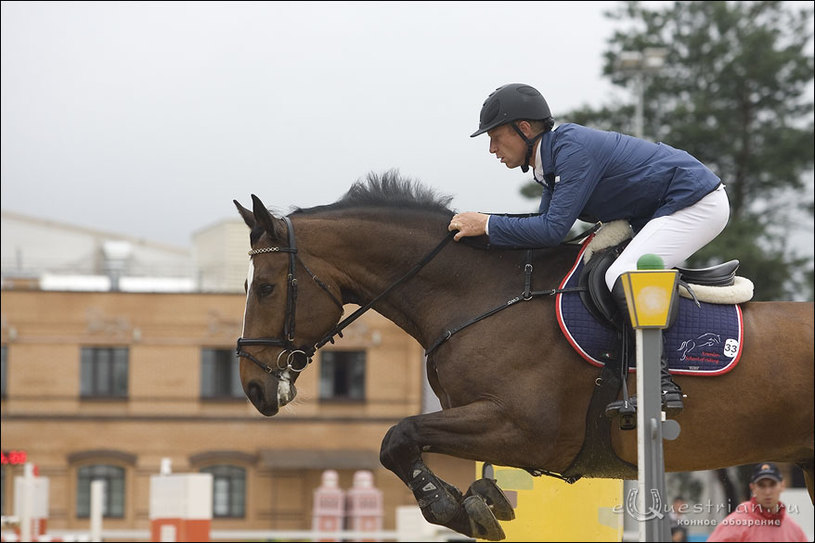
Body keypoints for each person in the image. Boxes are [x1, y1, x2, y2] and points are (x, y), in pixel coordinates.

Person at [450, 83, 731, 416]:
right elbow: (543, 228)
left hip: (696, 203)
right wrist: (485, 232)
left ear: (523, 129)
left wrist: (487, 224)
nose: (492, 148)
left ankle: (660, 383)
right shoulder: (549, 162)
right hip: (665, 208)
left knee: (621, 274)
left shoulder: (571, 149)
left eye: (495, 137)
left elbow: (552, 231)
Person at [707, 462, 808, 542]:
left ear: (782, 485)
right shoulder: (734, 524)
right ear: (753, 487)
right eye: (762, 485)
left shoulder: (794, 530)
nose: (767, 491)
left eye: (772, 484)